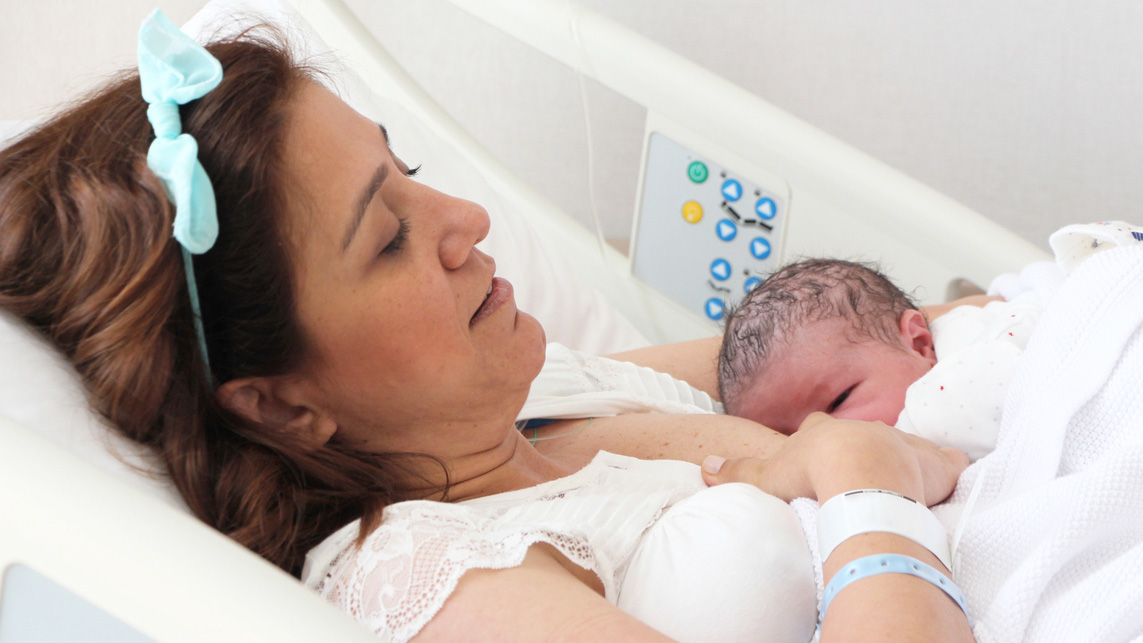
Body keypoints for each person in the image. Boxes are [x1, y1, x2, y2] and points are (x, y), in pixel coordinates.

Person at [0, 13, 972, 642]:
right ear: (283, 404)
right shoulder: (432, 580)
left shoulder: (537, 395)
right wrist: (867, 492)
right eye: (389, 238)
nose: (464, 219)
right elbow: (852, 457)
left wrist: (1009, 314)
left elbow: (821, 342)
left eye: (409, 171)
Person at [718, 259, 1039, 461]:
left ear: (919, 343)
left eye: (838, 401)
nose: (819, 436)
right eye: (788, 439)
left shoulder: (982, 355)